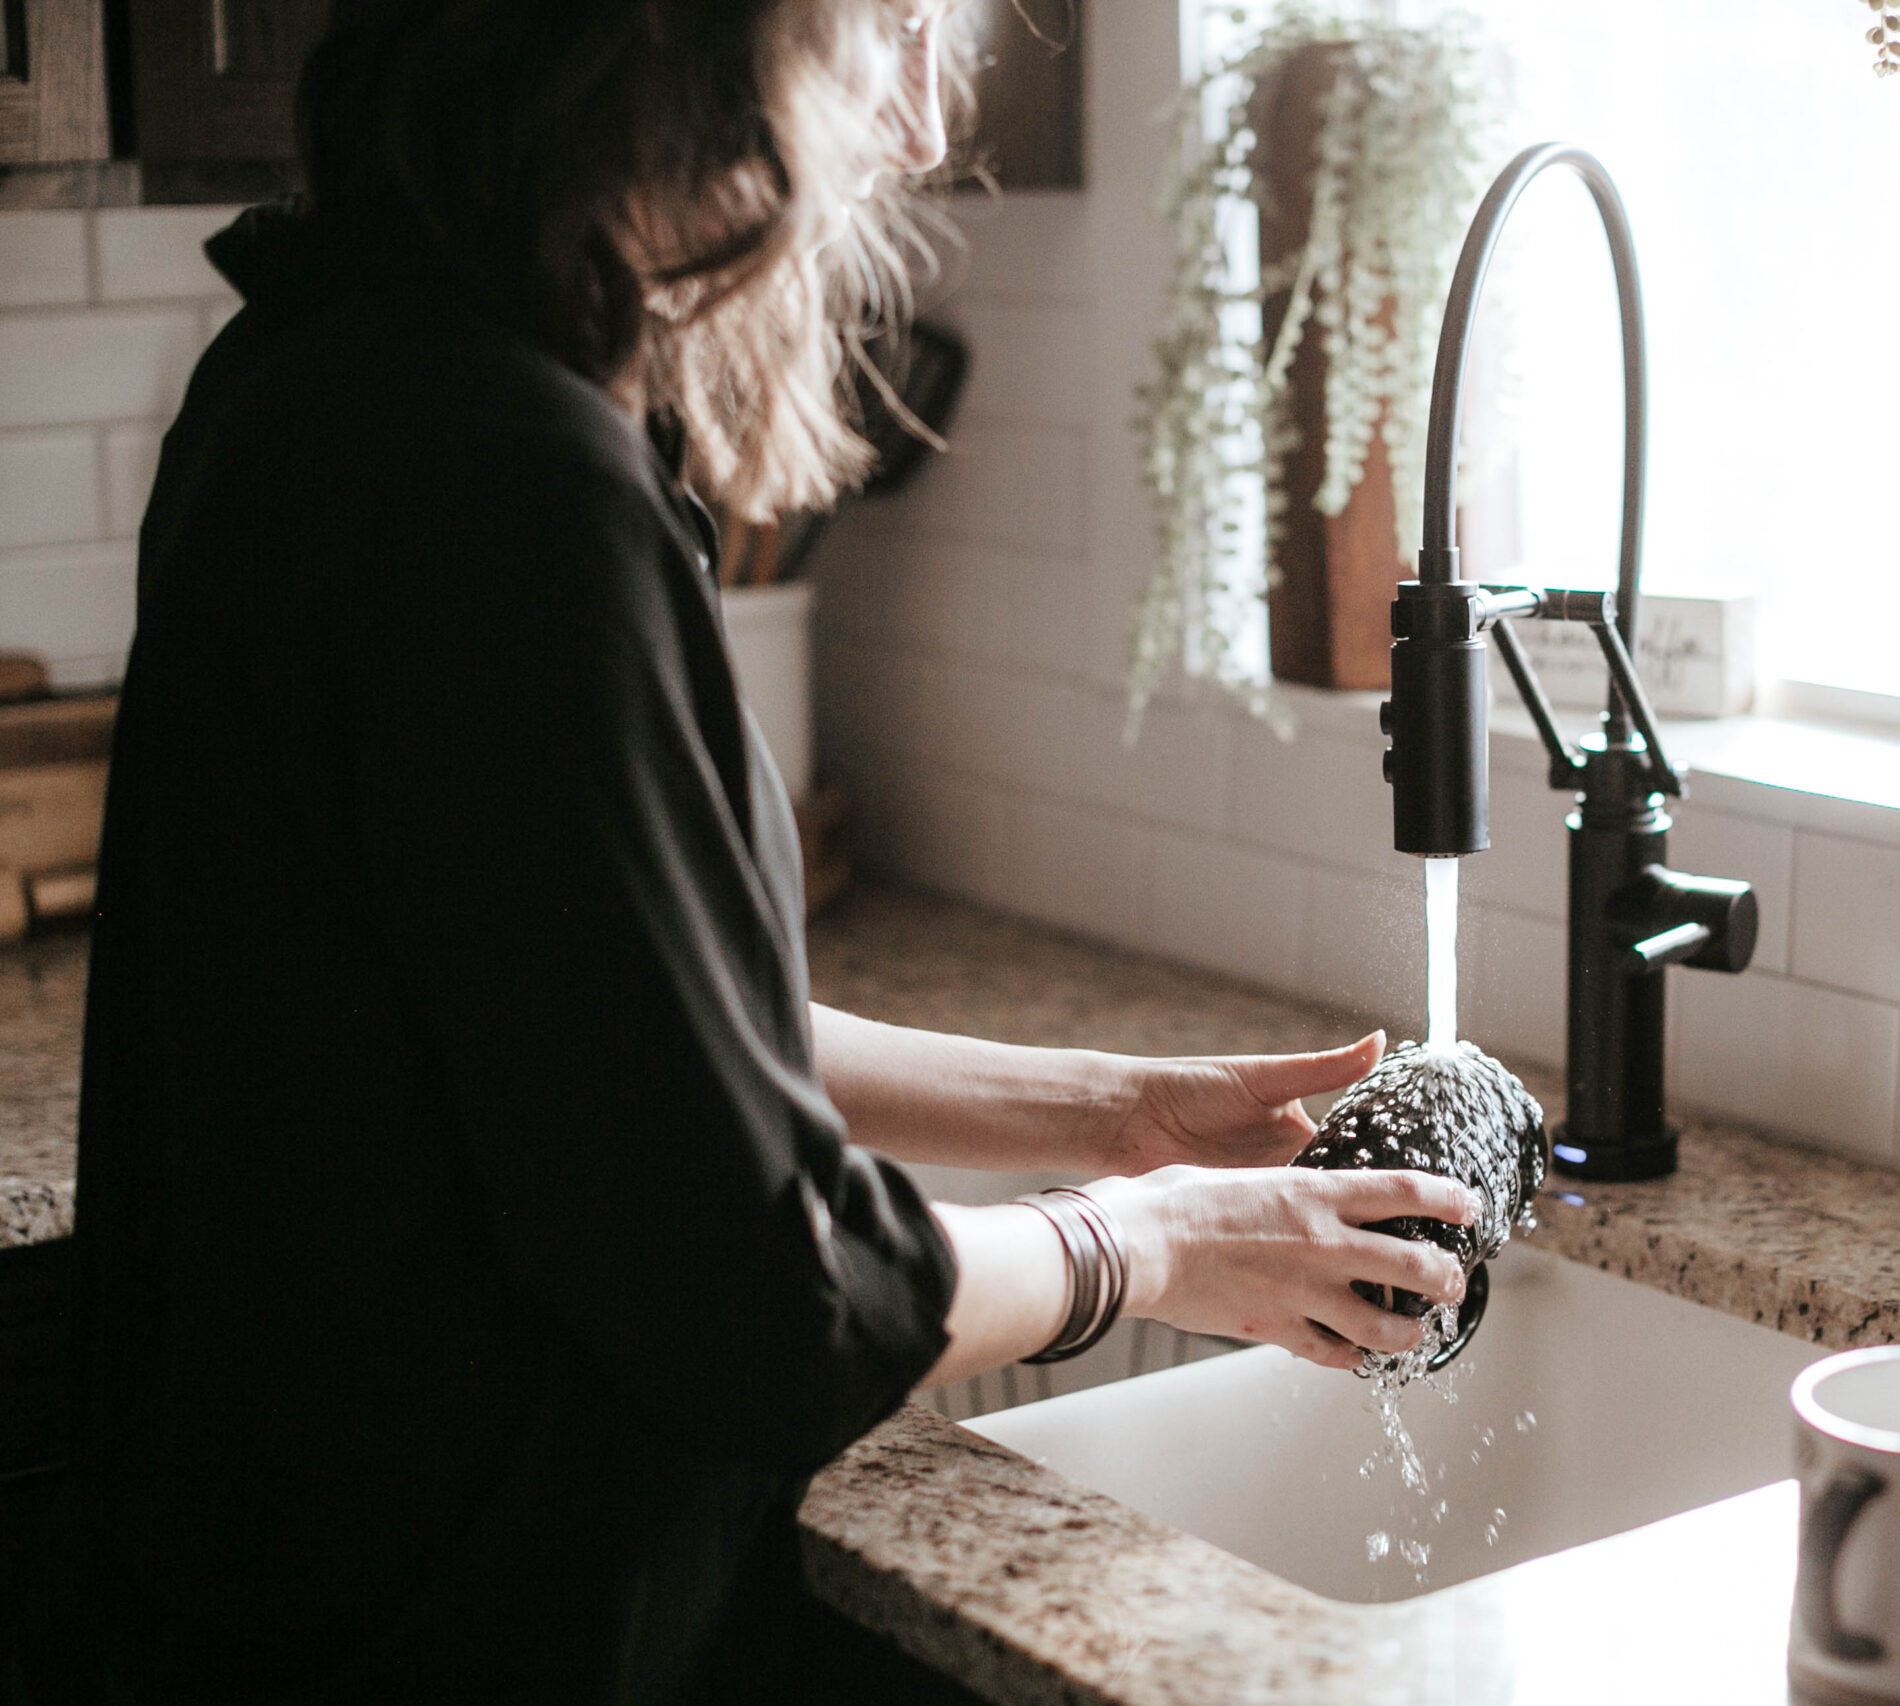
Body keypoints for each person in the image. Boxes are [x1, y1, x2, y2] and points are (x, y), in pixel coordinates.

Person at [23, 4, 1471, 1702]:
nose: (925, 126)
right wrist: (1140, 1242)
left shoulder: (313, 366)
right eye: (900, 30)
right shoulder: (509, 482)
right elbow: (770, 1297)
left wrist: (1108, 1107)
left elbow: (618, 1047)